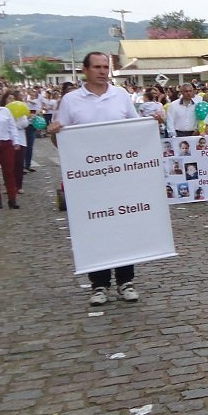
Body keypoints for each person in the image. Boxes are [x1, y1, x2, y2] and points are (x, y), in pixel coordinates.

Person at [52, 52, 143, 305]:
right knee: (94, 229)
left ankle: (126, 281)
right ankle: (99, 284)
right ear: (85, 70)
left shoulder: (121, 96)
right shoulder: (71, 101)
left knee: (122, 227)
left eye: (105, 67)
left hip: (119, 175)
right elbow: (62, 141)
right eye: (97, 67)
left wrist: (152, 125)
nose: (102, 71)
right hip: (88, 177)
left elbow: (135, 130)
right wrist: (53, 133)